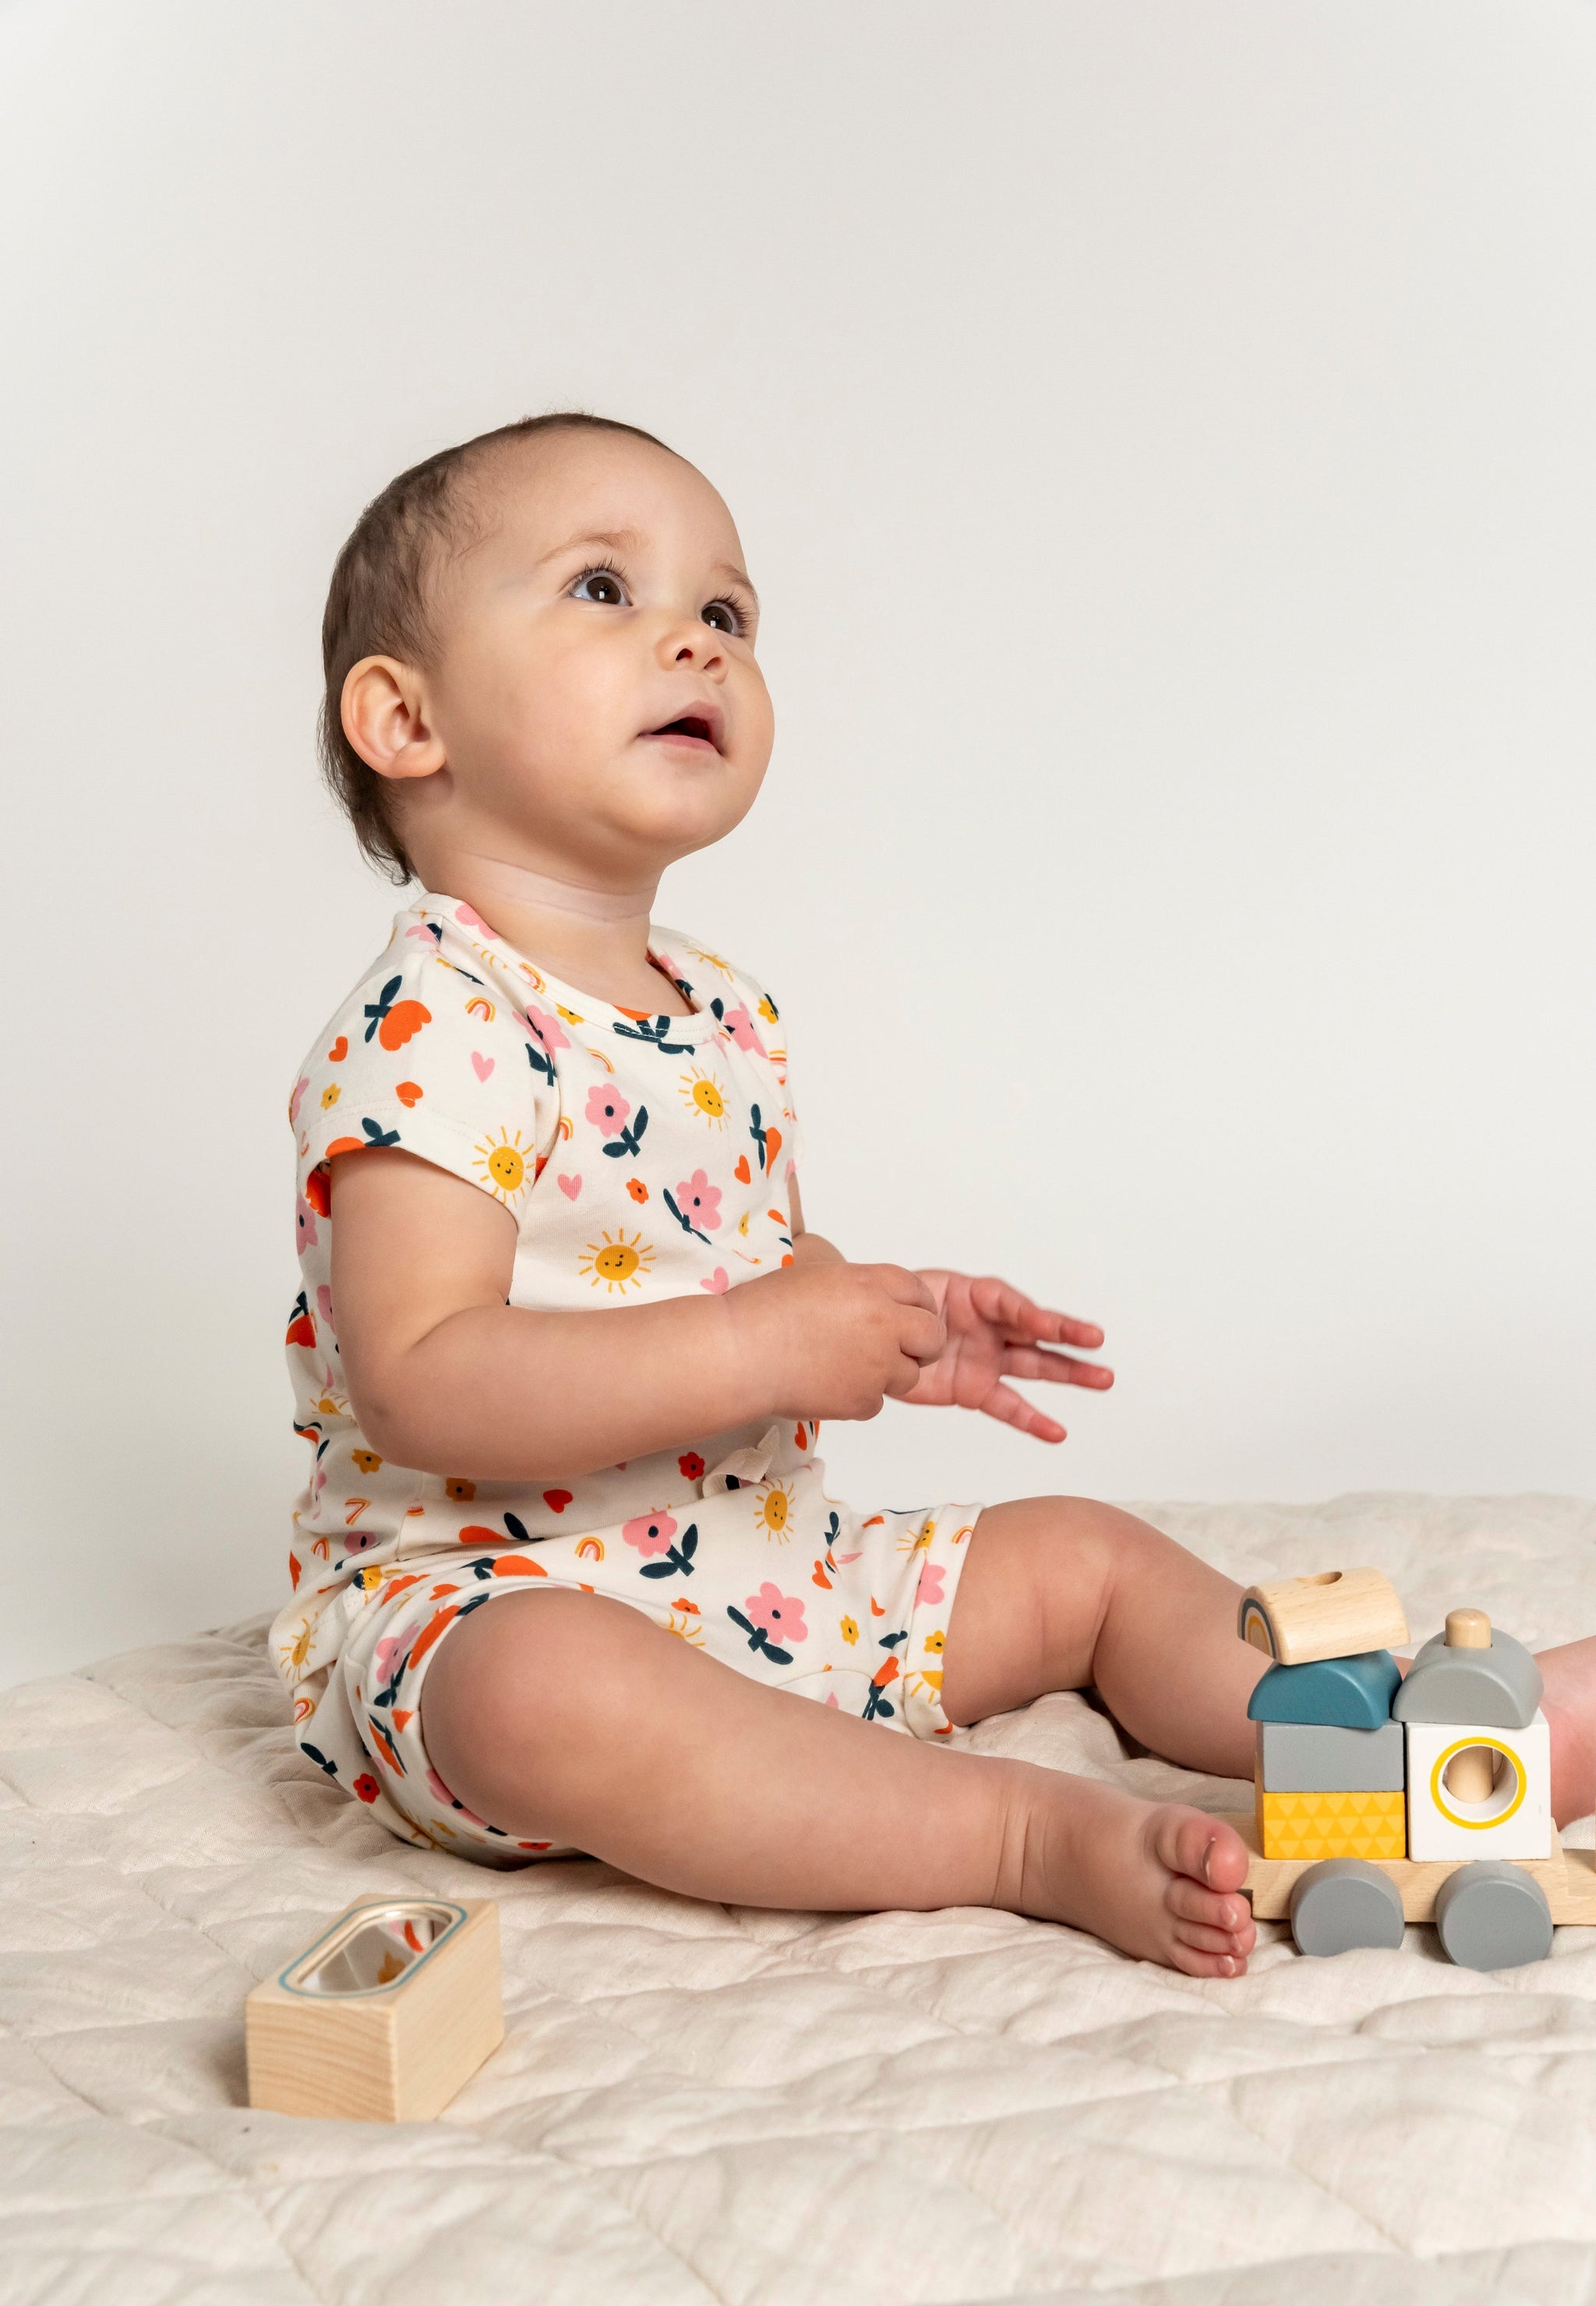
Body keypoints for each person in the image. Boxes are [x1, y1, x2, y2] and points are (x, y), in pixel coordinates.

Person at [272, 412, 1594, 1977]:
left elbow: (714, 1266)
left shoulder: (718, 1009)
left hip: (764, 1576)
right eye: (605, 590)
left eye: (727, 613)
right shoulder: (435, 1022)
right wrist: (770, 1347)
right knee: (541, 1694)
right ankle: (1017, 1832)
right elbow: (422, 1381)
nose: (694, 641)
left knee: (1081, 1555)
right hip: (494, 1601)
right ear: (403, 717)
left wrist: (873, 1317)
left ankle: (1382, 1744)